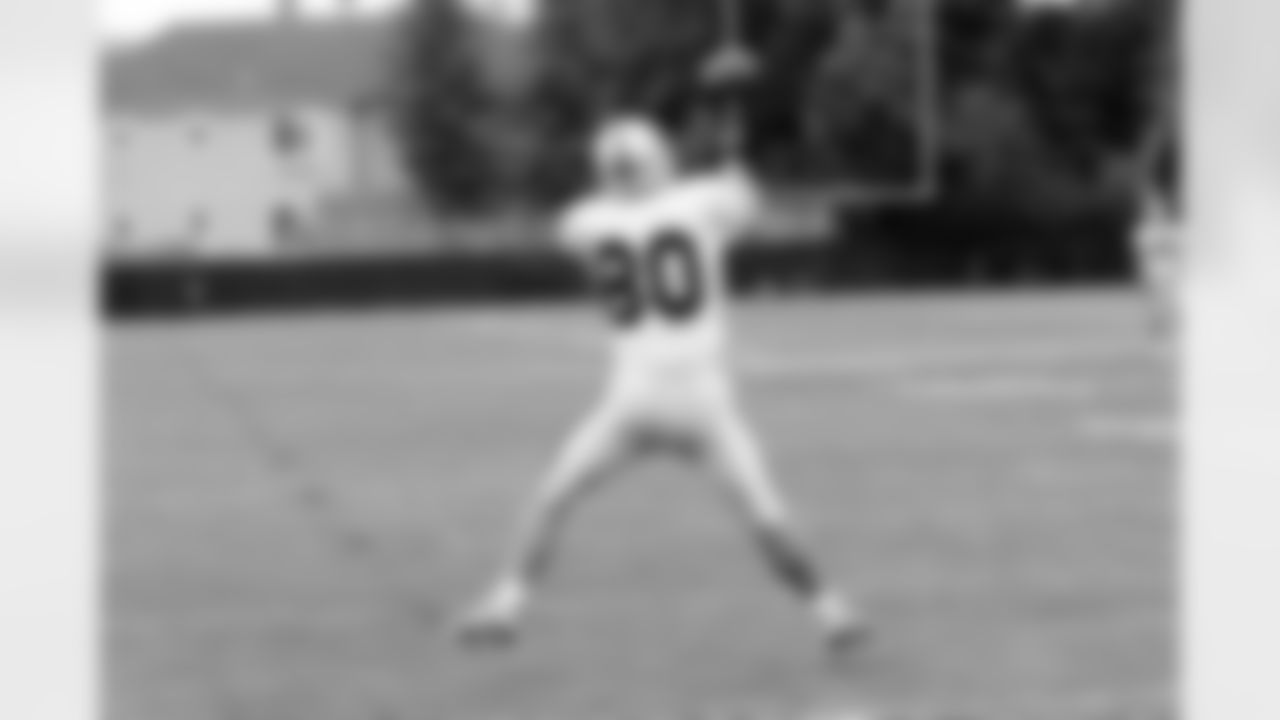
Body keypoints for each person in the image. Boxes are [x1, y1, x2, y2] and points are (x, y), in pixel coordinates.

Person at [456, 112, 863, 653]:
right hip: (703, 401)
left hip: (633, 400)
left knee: (553, 497)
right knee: (765, 515)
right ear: (660, 159)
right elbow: (743, 197)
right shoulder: (701, 203)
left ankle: (508, 604)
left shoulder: (587, 222)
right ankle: (831, 611)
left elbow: (594, 218)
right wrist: (731, 148)